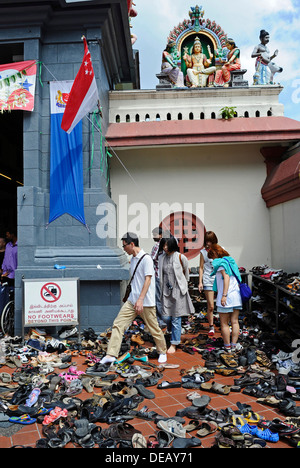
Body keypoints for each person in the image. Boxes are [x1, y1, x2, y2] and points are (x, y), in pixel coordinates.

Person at [100, 232, 167, 365]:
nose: (123, 248)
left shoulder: (146, 259)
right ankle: (111, 354)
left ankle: (162, 351)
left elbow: (148, 280)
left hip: (145, 302)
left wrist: (141, 299)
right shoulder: (134, 259)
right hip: (132, 301)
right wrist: (135, 298)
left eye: (124, 246)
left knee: (154, 328)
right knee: (118, 324)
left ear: (132, 244)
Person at [159, 237, 194, 354]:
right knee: (166, 317)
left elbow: (186, 273)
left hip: (178, 291)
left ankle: (174, 343)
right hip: (166, 291)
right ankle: (172, 332)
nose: (165, 248)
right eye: (163, 245)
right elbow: (161, 275)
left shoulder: (181, 257)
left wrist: (184, 286)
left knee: (176, 317)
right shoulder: (161, 258)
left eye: (167, 245)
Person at [208, 244, 243, 353]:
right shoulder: (231, 262)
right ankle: (234, 345)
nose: (212, 260)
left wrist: (224, 295)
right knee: (235, 322)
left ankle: (227, 346)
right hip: (236, 296)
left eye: (212, 257)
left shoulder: (221, 264)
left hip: (227, 297)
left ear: (215, 254)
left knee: (224, 323)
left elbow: (226, 278)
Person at [198, 231, 218, 337]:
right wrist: (200, 282)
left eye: (210, 241)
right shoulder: (203, 252)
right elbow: (201, 267)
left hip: (219, 279)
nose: (208, 243)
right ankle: (211, 326)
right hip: (208, 279)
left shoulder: (219, 250)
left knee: (223, 303)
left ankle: (225, 323)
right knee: (210, 305)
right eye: (207, 241)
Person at [150, 227, 165, 328]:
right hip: (165, 276)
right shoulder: (166, 245)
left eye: (155, 234)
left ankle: (161, 321)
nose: (153, 237)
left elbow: (151, 260)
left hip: (157, 275)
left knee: (158, 299)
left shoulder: (157, 245)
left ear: (160, 235)